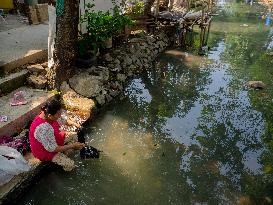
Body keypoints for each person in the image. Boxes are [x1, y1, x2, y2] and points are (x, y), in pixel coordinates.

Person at [28, 99, 85, 171]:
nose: (60, 116)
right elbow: (53, 149)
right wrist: (72, 146)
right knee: (70, 165)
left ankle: (65, 152)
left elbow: (64, 120)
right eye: (58, 114)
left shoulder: (48, 113)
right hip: (44, 150)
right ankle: (60, 167)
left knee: (75, 136)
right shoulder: (44, 128)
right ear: (50, 116)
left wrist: (76, 124)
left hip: (52, 139)